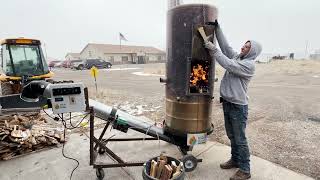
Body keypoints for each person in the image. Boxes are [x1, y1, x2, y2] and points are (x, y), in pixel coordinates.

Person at [204, 21, 262, 180]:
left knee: (240, 138)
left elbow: (228, 64)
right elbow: (226, 48)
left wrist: (213, 49)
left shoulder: (248, 65)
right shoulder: (238, 57)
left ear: (253, 52)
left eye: (247, 47)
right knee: (232, 135)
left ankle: (245, 169)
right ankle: (235, 160)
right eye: (244, 44)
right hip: (228, 103)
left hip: (238, 106)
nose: (243, 47)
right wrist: (218, 29)